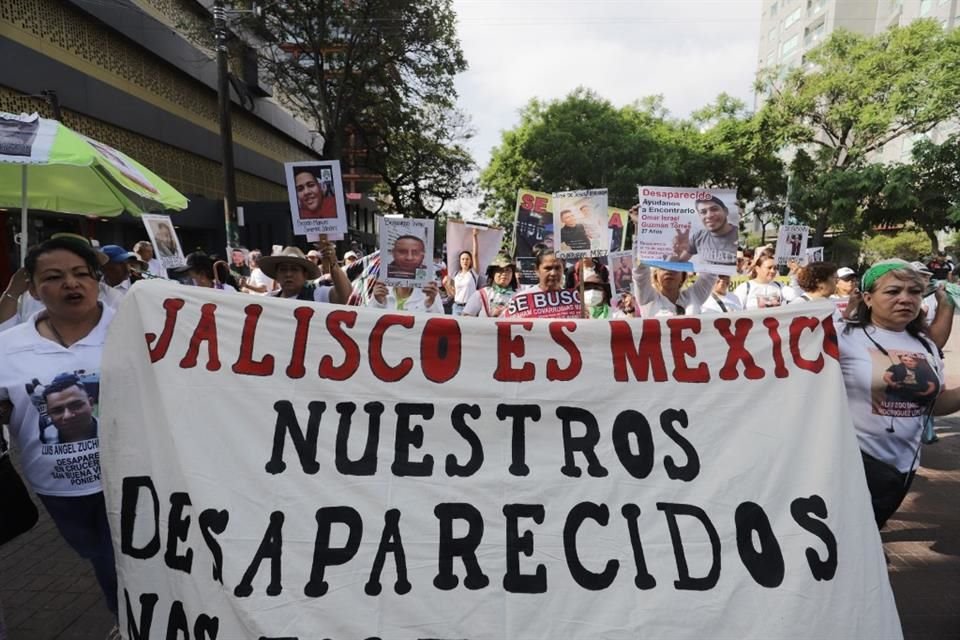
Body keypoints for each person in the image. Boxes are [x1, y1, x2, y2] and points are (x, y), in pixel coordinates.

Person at [0, 238, 119, 621]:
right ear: (33, 289)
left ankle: (130, 619)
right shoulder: (8, 347)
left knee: (116, 557)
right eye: (54, 277)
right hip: (57, 487)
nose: (72, 283)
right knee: (93, 550)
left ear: (96, 281)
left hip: (127, 478)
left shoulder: (134, 331)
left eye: (82, 274)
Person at [838, 259, 960, 528]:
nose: (905, 299)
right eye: (893, 292)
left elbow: (934, 405)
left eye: (914, 292)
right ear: (868, 298)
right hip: (851, 464)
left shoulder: (925, 345)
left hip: (901, 468)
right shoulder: (842, 337)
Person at [260, 243, 351, 303]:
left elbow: (346, 295)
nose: (288, 274)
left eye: (294, 269)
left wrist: (333, 264)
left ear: (305, 275)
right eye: (283, 269)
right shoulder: (268, 300)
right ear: (276, 276)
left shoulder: (318, 295)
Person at [632, 262, 717, 317]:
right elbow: (639, 271)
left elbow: (710, 271)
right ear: (656, 276)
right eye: (663, 267)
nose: (669, 271)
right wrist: (640, 239)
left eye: (675, 267)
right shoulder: (648, 299)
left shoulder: (694, 295)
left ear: (682, 276)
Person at [674, 196, 737, 269]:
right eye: (703, 212)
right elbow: (679, 263)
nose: (709, 216)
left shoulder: (739, 236)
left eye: (714, 209)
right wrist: (678, 252)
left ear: (726, 211)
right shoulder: (698, 236)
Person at [445, 228, 481, 316]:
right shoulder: (456, 275)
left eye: (467, 259)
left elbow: (475, 254)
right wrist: (446, 285)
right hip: (456, 307)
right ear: (460, 261)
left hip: (470, 307)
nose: (465, 261)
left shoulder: (473, 273)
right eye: (463, 259)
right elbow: (453, 294)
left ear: (471, 261)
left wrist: (474, 236)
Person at [367, 279, 444, 314]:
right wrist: (377, 302)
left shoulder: (429, 293)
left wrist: (430, 304)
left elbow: (439, 326)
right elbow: (367, 324)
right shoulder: (382, 291)